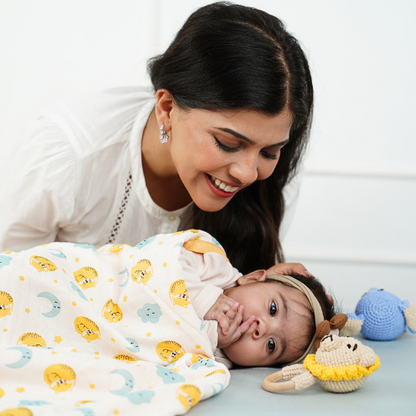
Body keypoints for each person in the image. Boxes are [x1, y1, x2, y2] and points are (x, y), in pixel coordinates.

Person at [0, 2, 313, 276]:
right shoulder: (68, 154)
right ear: (167, 108)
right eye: (228, 144)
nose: (247, 172)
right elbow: (9, 280)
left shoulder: (271, 183)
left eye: (270, 152)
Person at [0, 229, 334, 368]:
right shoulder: (211, 264)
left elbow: (166, 355)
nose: (263, 328)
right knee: (25, 281)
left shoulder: (219, 361)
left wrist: (211, 335)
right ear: (253, 277)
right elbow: (161, 257)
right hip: (83, 283)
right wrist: (206, 300)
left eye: (272, 346)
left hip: (85, 330)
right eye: (273, 308)